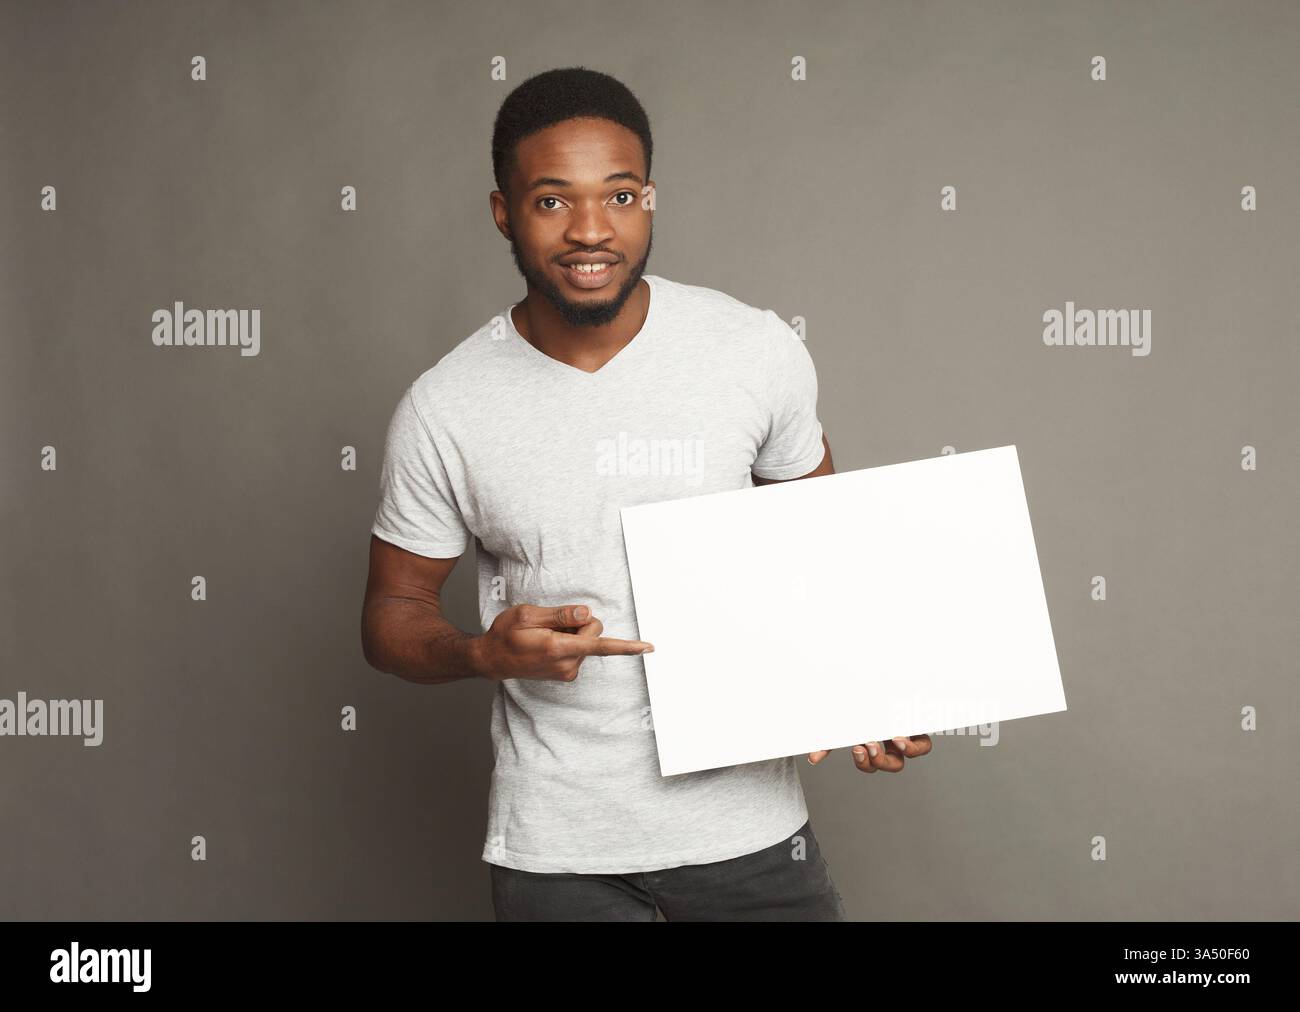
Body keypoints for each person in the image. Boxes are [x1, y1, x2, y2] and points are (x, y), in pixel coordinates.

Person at [360, 66, 931, 922]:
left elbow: (818, 545)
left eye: (621, 195)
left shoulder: (753, 350)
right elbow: (392, 612)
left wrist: (866, 693)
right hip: (558, 854)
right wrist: (483, 652)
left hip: (753, 838)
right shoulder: (445, 406)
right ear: (503, 212)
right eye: (553, 201)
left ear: (651, 200)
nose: (593, 229)